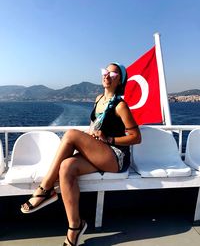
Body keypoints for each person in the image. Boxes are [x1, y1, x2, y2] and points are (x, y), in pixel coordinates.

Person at [21, 62, 141, 246]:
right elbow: (95, 128)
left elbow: (136, 137)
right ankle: (75, 226)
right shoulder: (98, 99)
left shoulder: (120, 106)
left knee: (70, 134)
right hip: (100, 153)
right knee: (66, 167)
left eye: (113, 74)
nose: (107, 75)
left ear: (120, 80)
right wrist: (88, 142)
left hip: (116, 157)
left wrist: (109, 139)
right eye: (105, 72)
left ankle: (45, 190)